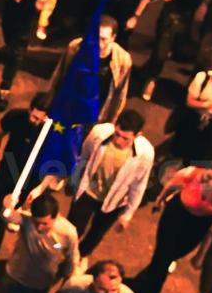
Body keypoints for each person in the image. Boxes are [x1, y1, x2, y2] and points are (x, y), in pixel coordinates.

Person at [129, 165, 212, 293]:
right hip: (176, 215)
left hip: (199, 225)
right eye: (209, 177)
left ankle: (140, 283)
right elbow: (171, 186)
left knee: (168, 257)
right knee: (163, 256)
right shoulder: (192, 173)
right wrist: (159, 200)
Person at [56, 109, 155, 256]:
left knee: (95, 235)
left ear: (138, 135)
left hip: (114, 202)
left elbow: (139, 185)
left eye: (125, 138)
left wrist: (128, 214)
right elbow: (84, 157)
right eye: (117, 134)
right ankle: (58, 253)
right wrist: (74, 180)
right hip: (88, 191)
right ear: (115, 125)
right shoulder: (99, 133)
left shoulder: (145, 154)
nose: (119, 141)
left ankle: (79, 258)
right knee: (72, 228)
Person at [0, 91, 52, 255]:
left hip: (32, 176)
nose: (34, 121)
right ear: (30, 109)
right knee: (0, 211)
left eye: (39, 119)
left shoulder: (52, 131)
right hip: (8, 169)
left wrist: (42, 186)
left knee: (23, 209)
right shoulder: (16, 116)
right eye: (33, 116)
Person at [48, 16, 133, 126]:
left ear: (113, 37)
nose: (97, 43)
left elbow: (120, 94)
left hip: (97, 114)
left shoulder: (123, 59)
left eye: (103, 39)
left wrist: (112, 122)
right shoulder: (75, 47)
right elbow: (58, 76)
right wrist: (49, 104)